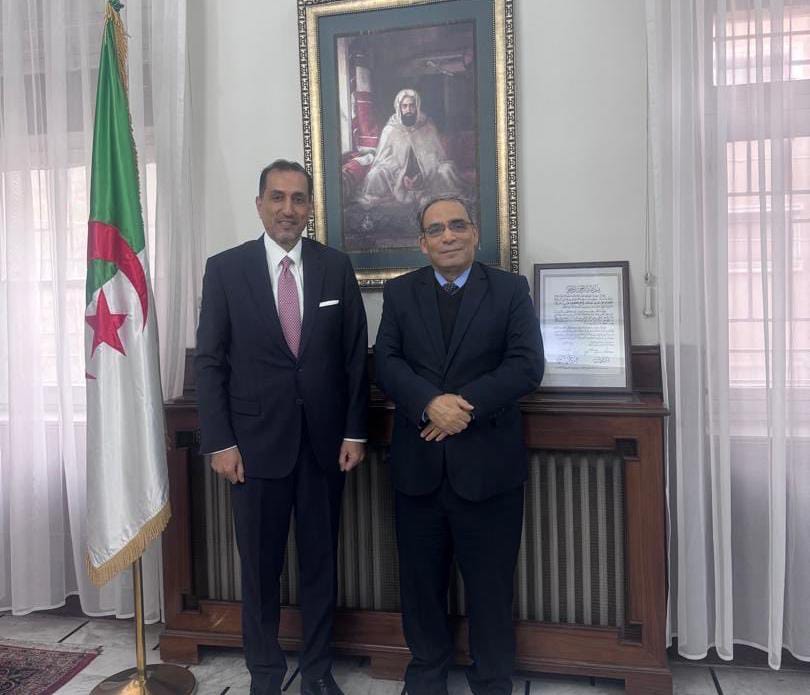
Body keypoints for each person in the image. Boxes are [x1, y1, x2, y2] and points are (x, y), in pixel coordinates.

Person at [195, 160, 368, 695]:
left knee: (320, 567)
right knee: (259, 571)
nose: (287, 208)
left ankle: (317, 672)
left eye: (298, 198)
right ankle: (266, 676)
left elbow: (354, 357)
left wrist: (354, 432)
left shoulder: (335, 267)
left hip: (323, 447)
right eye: (277, 197)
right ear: (259, 205)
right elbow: (210, 363)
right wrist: (220, 442)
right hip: (251, 450)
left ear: (310, 207)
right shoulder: (225, 270)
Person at [374, 196, 544, 695]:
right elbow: (385, 362)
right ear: (422, 242)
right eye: (436, 229)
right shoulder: (400, 293)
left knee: (491, 589)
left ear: (474, 233)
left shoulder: (510, 290)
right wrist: (429, 403)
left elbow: (526, 365)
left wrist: (460, 408)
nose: (447, 236)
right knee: (420, 588)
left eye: (457, 226)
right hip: (418, 470)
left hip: (488, 470)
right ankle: (426, 678)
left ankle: (491, 682)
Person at [358, 89, 465, 208]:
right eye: (404, 106)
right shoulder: (390, 129)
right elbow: (383, 159)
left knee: (447, 170)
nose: (408, 109)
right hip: (396, 174)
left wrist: (422, 174)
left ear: (417, 106)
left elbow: (436, 157)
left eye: (411, 106)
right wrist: (401, 176)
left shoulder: (427, 126)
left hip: (426, 174)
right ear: (399, 108)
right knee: (375, 174)